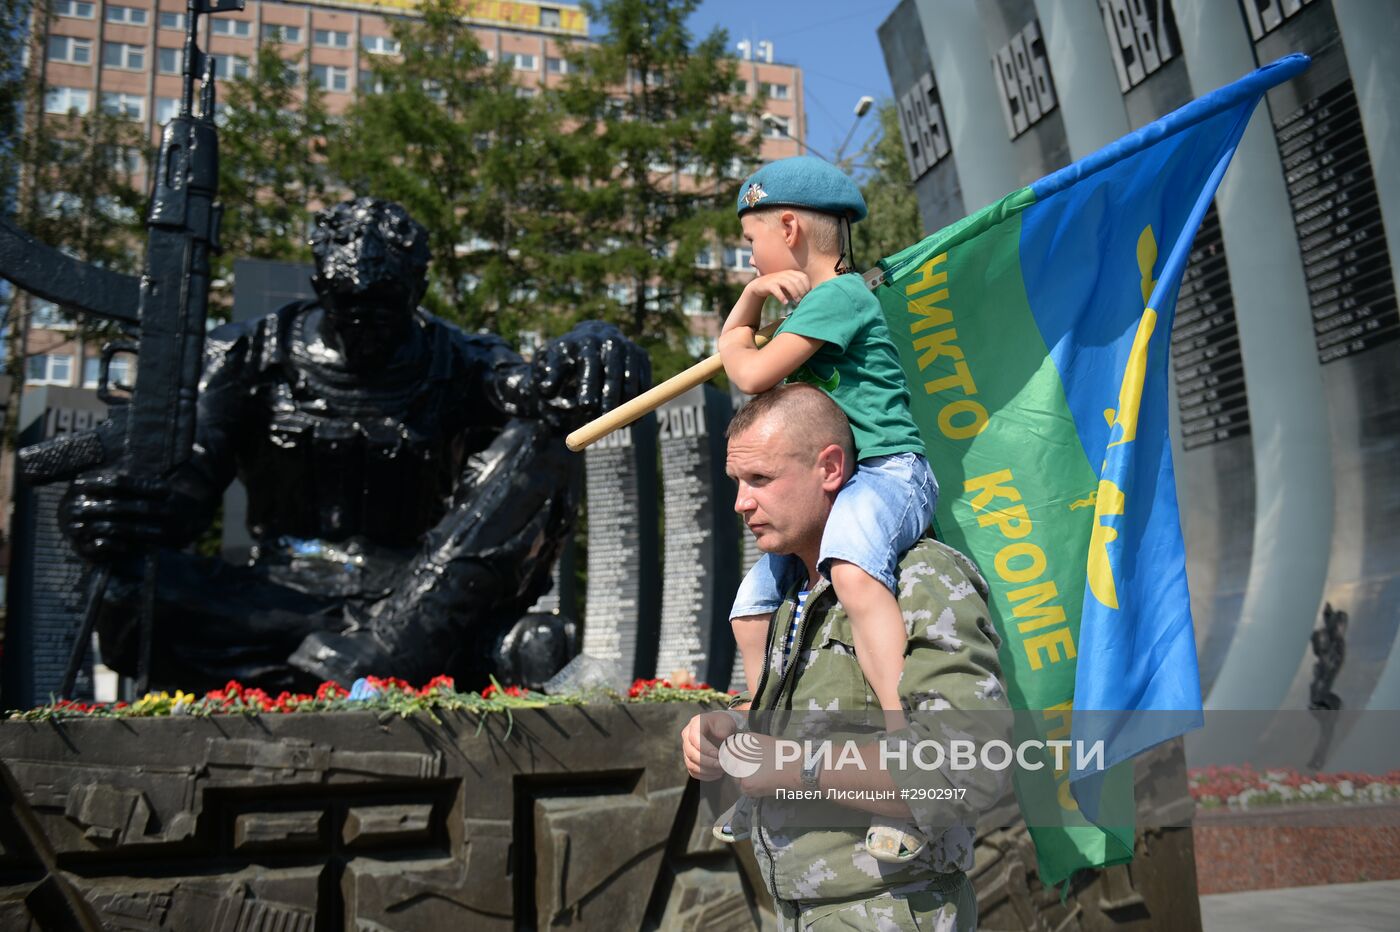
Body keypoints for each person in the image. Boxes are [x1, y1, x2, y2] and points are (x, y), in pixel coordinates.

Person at [57, 198, 649, 691]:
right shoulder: (248, 355)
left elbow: (539, 389)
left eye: (383, 304)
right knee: (128, 591)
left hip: (420, 592)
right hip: (278, 597)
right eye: (347, 303)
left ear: (417, 289)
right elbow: (186, 489)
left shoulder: (459, 360)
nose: (364, 321)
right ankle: (375, 658)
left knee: (553, 427)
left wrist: (591, 343)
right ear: (319, 287)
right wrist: (117, 510)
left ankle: (389, 650)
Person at [680, 385, 1009, 930]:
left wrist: (792, 767)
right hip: (804, 910)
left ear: (830, 467)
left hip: (893, 909)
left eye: (760, 479)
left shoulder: (918, 577)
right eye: (737, 482)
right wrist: (732, 729)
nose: (741, 501)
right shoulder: (789, 594)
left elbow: (966, 767)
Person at [715, 155, 938, 861]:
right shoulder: (813, 306)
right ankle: (760, 747)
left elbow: (747, 370)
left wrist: (748, 306)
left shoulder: (836, 298)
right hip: (836, 477)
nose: (751, 257)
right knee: (752, 604)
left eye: (751, 243)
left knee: (852, 574)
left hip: (884, 471)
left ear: (789, 228)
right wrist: (756, 301)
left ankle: (904, 752)